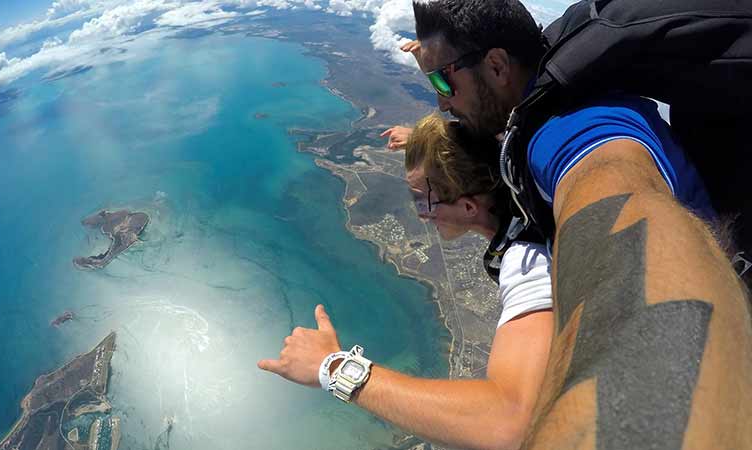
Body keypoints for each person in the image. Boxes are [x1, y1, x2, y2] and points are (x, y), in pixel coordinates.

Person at [411, 0, 752, 448]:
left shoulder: (571, 134)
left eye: (442, 80)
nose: (439, 100)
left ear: (496, 65)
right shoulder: (556, 88)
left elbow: (628, 221)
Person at [259, 113, 554, 450]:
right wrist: (425, 144)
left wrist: (334, 368)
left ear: (470, 206)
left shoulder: (529, 261)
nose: (421, 213)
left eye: (422, 199)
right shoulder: (522, 172)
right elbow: (486, 148)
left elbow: (510, 421)